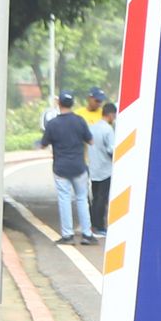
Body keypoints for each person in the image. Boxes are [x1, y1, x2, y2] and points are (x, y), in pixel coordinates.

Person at [42, 94, 94, 244]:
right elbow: (90, 141)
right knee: (82, 199)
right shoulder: (80, 121)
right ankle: (87, 235)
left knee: (64, 199)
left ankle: (68, 235)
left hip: (60, 168)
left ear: (59, 103)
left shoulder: (52, 124)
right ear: (72, 103)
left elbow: (44, 144)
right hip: (79, 166)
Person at [85, 93, 117, 240]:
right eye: (114, 116)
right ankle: (100, 226)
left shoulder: (92, 128)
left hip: (93, 168)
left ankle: (92, 224)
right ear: (110, 115)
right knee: (102, 199)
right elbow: (111, 149)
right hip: (105, 169)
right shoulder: (108, 130)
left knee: (95, 197)